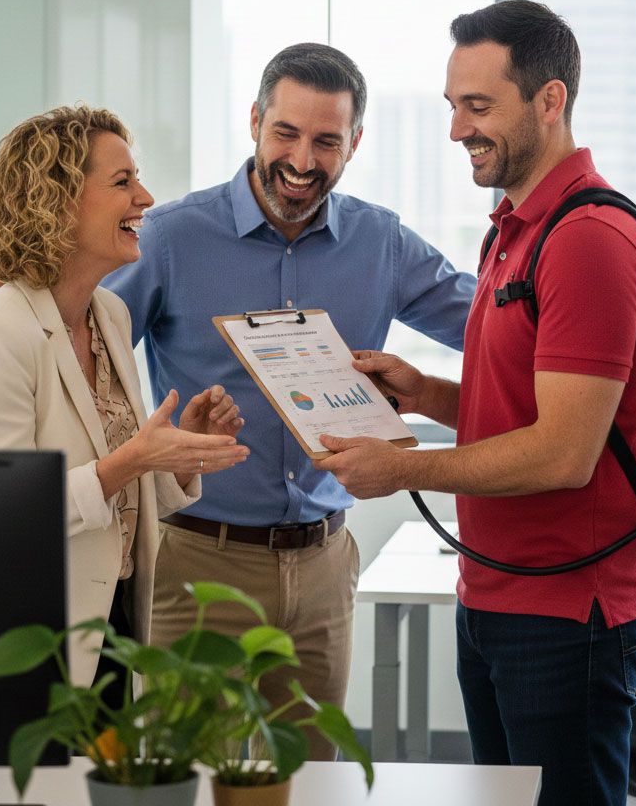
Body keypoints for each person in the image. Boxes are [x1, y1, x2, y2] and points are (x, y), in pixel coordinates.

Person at [315, 1, 636, 805]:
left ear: (551, 102)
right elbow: (533, 405)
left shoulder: (586, 240)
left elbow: (563, 452)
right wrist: (427, 390)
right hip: (502, 592)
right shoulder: (514, 228)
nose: (456, 130)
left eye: (479, 107)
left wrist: (397, 470)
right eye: (452, 107)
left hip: (568, 611)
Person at [99, 42, 476, 754]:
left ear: (354, 143)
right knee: (187, 776)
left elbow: (496, 325)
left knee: (310, 779)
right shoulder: (172, 238)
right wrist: (4, 315)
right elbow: (78, 331)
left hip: (322, 566)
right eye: (287, 133)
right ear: (254, 122)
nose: (303, 160)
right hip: (195, 562)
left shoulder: (381, 241)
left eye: (326, 141)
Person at [0, 106, 250, 691]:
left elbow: (120, 497)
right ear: (55, 201)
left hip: (114, 630)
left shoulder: (109, 314)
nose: (146, 197)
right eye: (122, 183)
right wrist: (135, 458)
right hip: (36, 643)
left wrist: (175, 451)